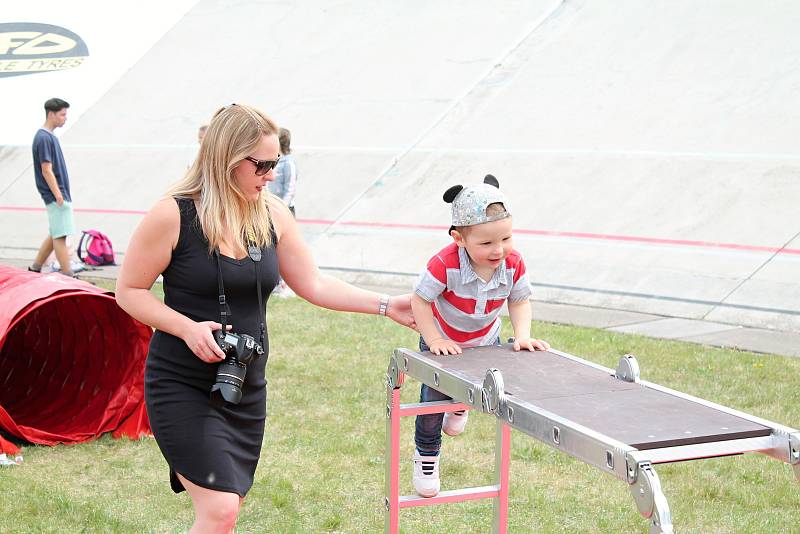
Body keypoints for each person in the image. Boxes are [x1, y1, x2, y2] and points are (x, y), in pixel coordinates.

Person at [115, 103, 415, 532]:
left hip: (244, 385)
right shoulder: (172, 214)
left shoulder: (271, 213)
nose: (271, 174)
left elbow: (312, 283)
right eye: (263, 165)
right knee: (220, 509)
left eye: (277, 163)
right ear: (227, 159)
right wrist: (186, 327)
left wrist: (386, 305)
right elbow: (129, 291)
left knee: (224, 509)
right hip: (182, 382)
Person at [409, 174, 550, 498]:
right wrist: (434, 341)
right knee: (432, 404)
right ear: (459, 239)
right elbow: (420, 300)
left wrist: (522, 335)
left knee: (476, 392)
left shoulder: (512, 262)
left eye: (506, 239)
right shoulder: (444, 263)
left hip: (486, 342)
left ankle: (459, 407)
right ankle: (427, 456)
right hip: (443, 341)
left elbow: (519, 299)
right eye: (486, 243)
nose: (498, 250)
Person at [28, 98, 76, 277]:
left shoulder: (47, 137)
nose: (65, 118)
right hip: (56, 194)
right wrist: (58, 194)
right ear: (51, 114)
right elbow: (46, 169)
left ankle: (35, 268)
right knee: (61, 235)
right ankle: (67, 274)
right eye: (62, 114)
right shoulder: (43, 138)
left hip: (57, 193)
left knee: (55, 232)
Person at [268, 127, 297, 216]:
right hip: (271, 207)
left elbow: (290, 188)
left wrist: (283, 207)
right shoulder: (274, 159)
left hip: (285, 209)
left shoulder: (288, 163)